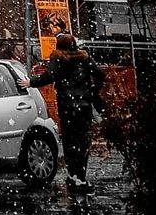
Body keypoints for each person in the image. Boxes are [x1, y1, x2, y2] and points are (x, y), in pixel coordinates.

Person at [29, 33, 106, 192]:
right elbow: (100, 73)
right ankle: (80, 177)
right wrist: (92, 89)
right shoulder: (84, 58)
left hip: (67, 105)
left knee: (70, 141)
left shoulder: (58, 58)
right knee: (83, 140)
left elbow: (49, 76)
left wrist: (31, 82)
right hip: (84, 105)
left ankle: (72, 175)